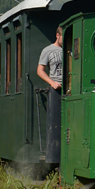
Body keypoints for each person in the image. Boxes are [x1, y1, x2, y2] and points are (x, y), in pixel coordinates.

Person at [37, 26, 64, 164]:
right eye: (63, 37)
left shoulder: (71, 49)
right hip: (56, 89)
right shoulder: (48, 50)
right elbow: (40, 70)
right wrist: (52, 82)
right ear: (57, 35)